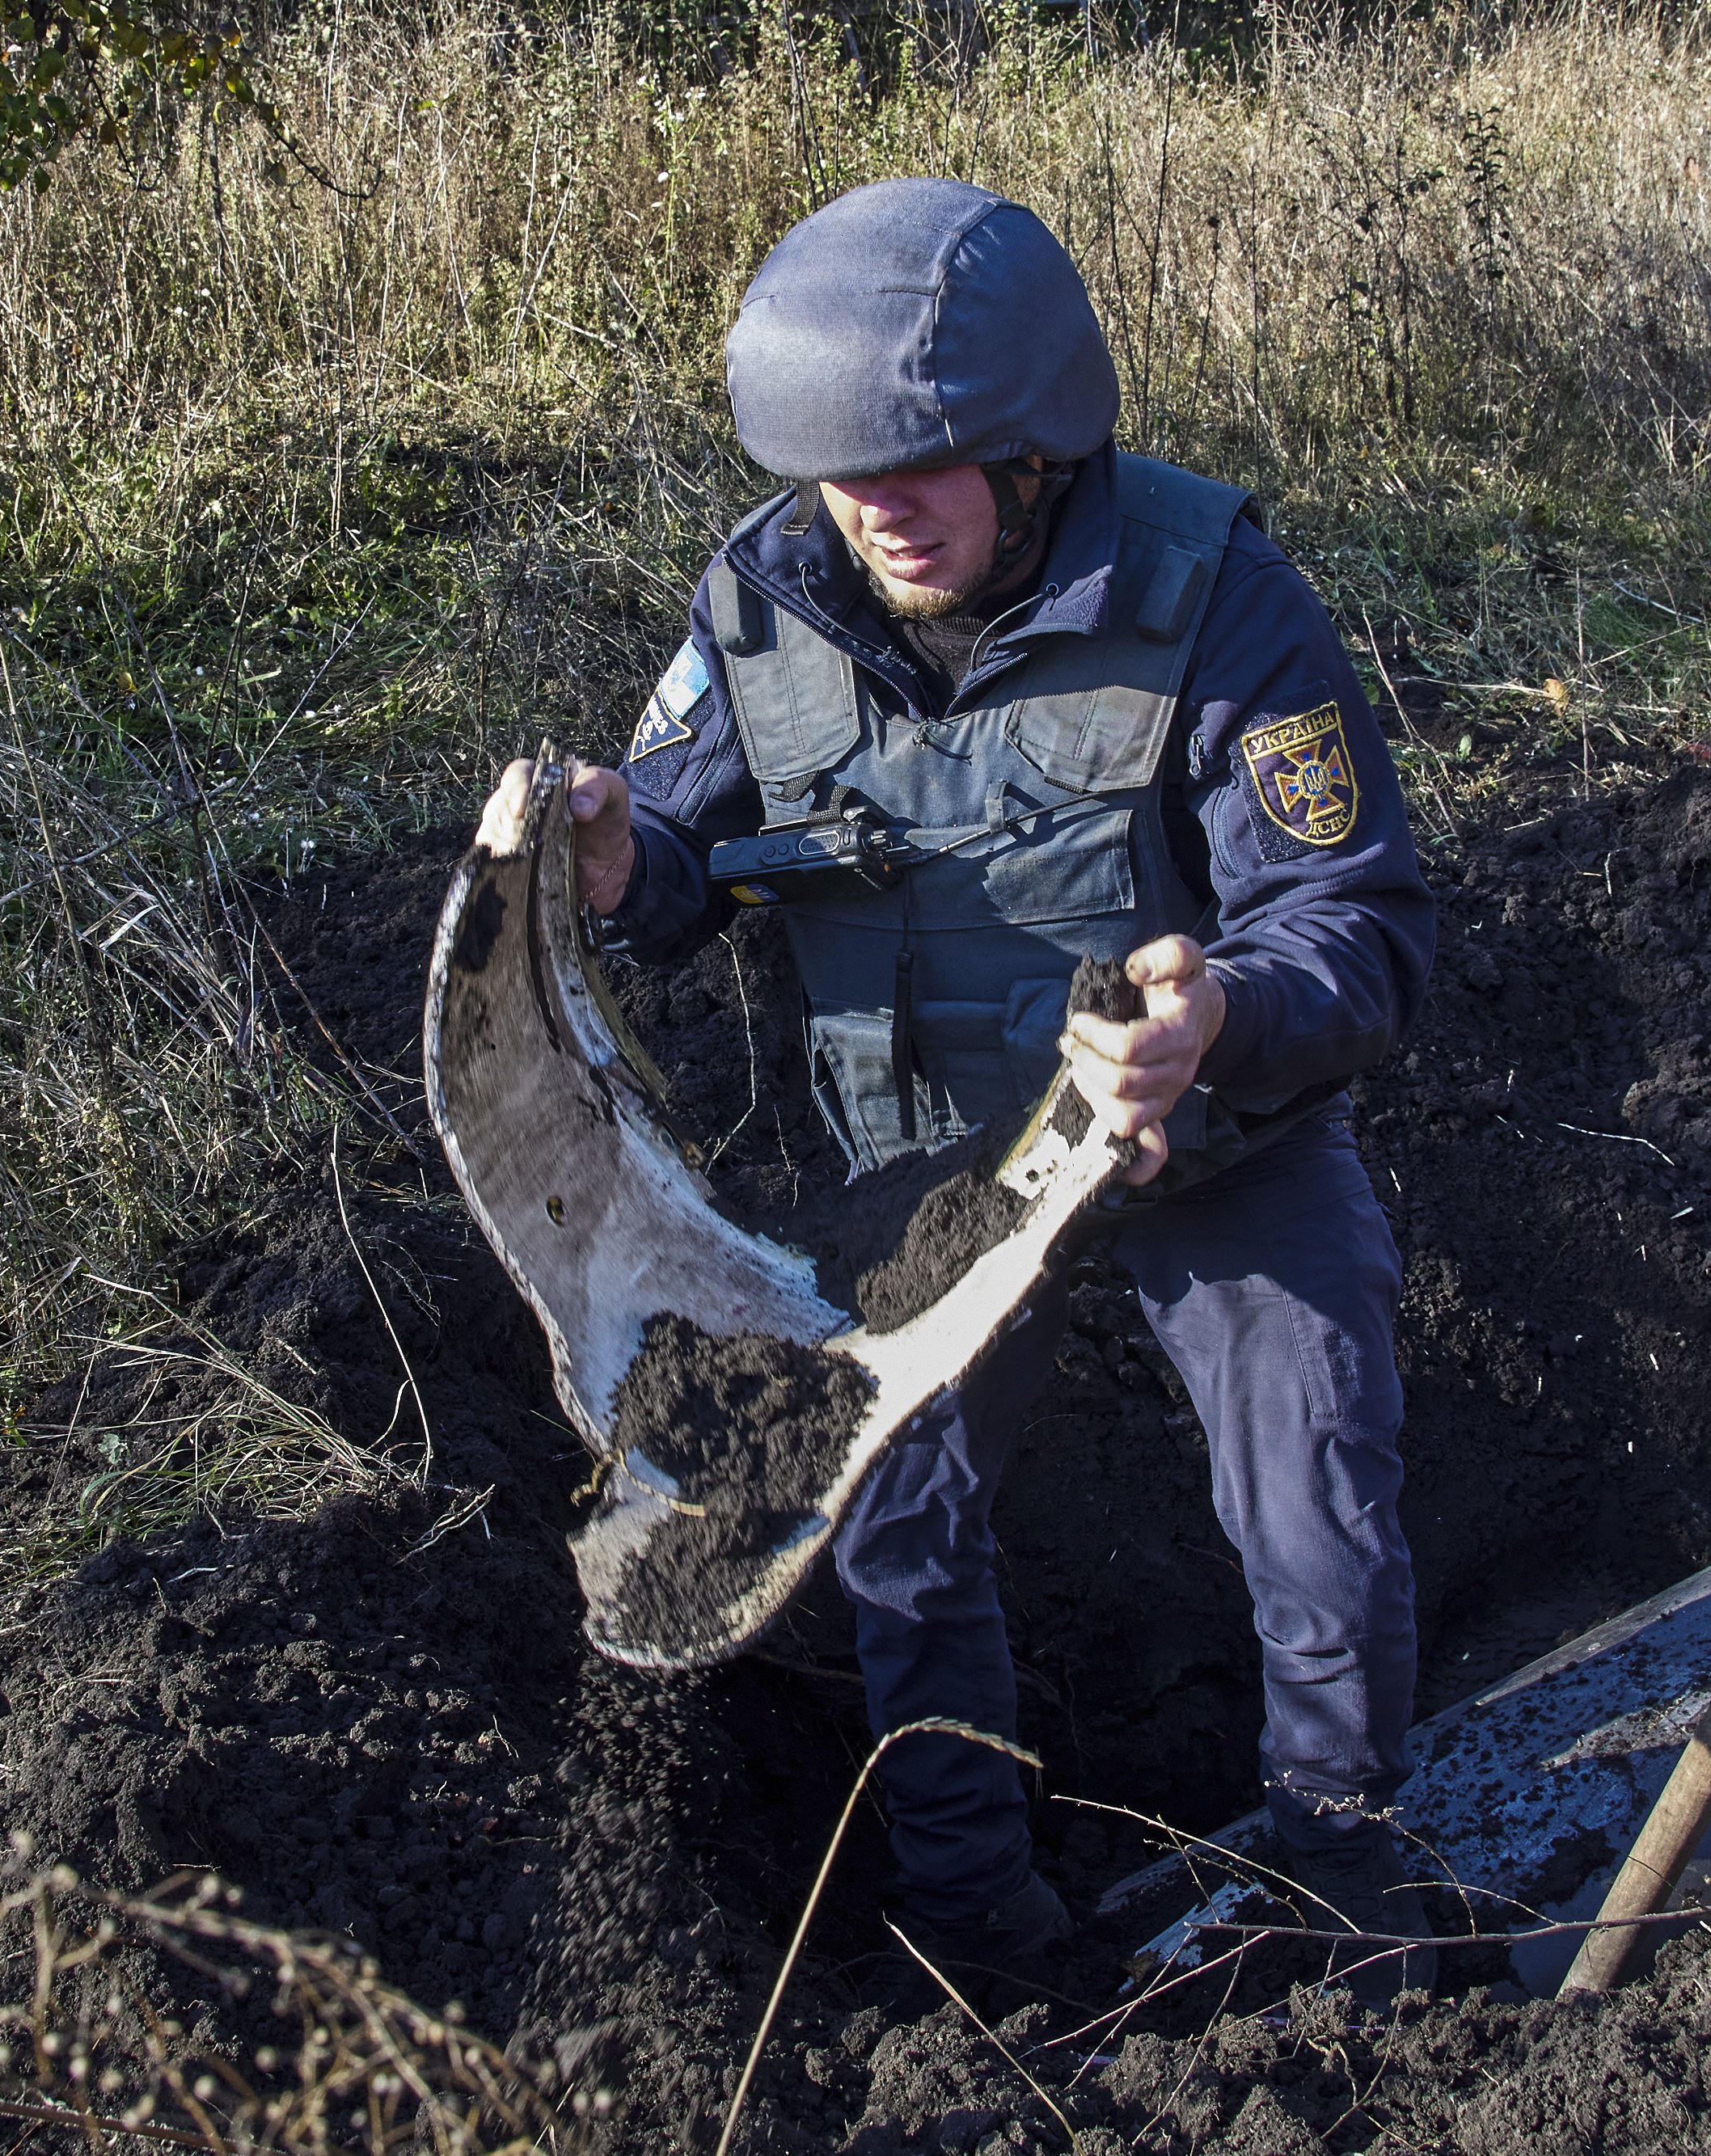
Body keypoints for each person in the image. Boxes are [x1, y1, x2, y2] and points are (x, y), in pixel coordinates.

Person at [479, 178, 1438, 2006]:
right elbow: (684, 864)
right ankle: (978, 1932)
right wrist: (613, 857)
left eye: (921, 470)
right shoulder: (759, 601)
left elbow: (1362, 925)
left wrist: (1217, 1006)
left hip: (1202, 1135)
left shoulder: (1212, 590)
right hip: (934, 1181)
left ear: (1034, 449)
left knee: (1315, 1470)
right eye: (843, 473)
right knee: (898, 1514)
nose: (876, 513)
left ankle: (1345, 1866)